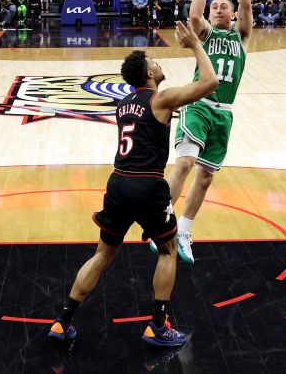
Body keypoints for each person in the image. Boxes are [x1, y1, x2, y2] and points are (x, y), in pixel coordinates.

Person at [48, 21, 218, 347]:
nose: (159, 62)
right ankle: (157, 326)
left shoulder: (123, 104)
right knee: (168, 251)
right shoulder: (161, 100)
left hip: (118, 184)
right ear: (149, 75)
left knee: (102, 254)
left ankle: (62, 321)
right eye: (154, 61)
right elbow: (211, 82)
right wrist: (196, 44)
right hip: (147, 185)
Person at [152, 0, 252, 264]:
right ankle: (161, 222)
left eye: (224, 7)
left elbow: (248, 7)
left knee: (206, 177)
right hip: (199, 106)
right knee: (184, 163)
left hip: (225, 114)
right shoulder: (205, 34)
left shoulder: (241, 35)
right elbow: (194, 15)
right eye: (215, 7)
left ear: (233, 13)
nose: (218, 9)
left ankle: (184, 229)